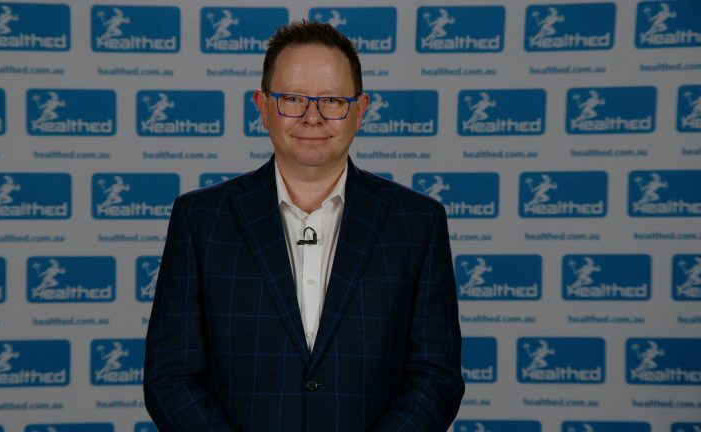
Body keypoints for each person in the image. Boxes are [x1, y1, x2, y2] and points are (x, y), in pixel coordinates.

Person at [144, 20, 464, 431]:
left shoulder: (418, 223)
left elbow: (435, 377)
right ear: (262, 106)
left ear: (361, 110)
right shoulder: (201, 220)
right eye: (292, 98)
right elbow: (170, 377)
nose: (313, 117)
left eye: (332, 100)